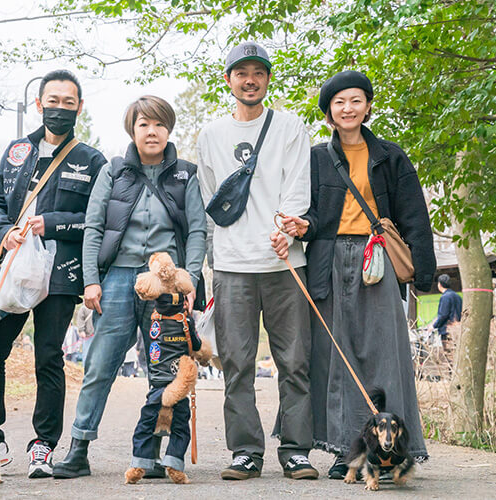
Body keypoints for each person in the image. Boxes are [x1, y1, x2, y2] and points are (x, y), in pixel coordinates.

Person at [279, 70, 436, 478]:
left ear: (367, 106)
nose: (347, 109)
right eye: (339, 102)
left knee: (386, 355)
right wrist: (302, 228)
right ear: (329, 112)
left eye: (355, 100)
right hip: (328, 262)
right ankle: (343, 452)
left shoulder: (391, 156)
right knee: (335, 358)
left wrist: (423, 274)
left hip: (376, 258)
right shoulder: (314, 157)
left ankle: (393, 456)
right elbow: (311, 215)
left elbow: (414, 217)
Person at [0, 69, 107, 479]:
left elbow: (97, 218)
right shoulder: (18, 149)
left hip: (60, 275)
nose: (59, 108)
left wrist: (52, 222)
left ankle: (44, 445)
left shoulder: (92, 160)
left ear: (79, 107)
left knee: (48, 358)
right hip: (14, 271)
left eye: (68, 102)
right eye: (52, 101)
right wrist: (5, 233)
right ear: (39, 104)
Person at [52, 95, 207, 479]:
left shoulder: (185, 173)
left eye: (158, 124)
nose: (151, 131)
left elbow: (200, 230)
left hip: (167, 282)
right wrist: (91, 280)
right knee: (99, 364)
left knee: (164, 370)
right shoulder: (114, 170)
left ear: (168, 128)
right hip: (119, 277)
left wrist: (191, 281)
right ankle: (78, 448)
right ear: (132, 130)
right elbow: (94, 226)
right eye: (143, 124)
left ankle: (151, 453)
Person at [196, 41, 318, 481]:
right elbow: (210, 200)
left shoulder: (289, 127)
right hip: (232, 266)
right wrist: (214, 258)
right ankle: (246, 450)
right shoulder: (210, 135)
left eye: (259, 73)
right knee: (237, 362)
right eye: (241, 72)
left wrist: (285, 229)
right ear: (228, 80)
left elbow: (298, 188)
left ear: (268, 79)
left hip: (285, 262)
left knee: (295, 360)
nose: (250, 80)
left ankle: (296, 449)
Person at [433, 273, 462, 355]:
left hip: (447, 329)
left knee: (449, 354)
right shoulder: (458, 296)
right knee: (457, 353)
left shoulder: (445, 297)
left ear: (439, 284)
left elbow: (443, 315)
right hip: (458, 328)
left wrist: (434, 326)